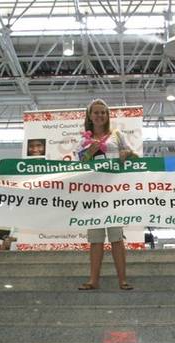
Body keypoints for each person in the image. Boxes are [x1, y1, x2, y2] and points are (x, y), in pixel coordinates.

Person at [77, 99, 137, 290]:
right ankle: (93, 280)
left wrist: (127, 153)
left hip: (114, 193)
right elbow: (79, 165)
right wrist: (90, 152)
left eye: (103, 112)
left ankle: (123, 280)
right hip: (93, 194)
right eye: (96, 112)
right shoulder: (83, 140)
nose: (100, 115)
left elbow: (135, 156)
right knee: (95, 239)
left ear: (107, 115)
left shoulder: (117, 135)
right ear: (90, 116)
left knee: (116, 238)